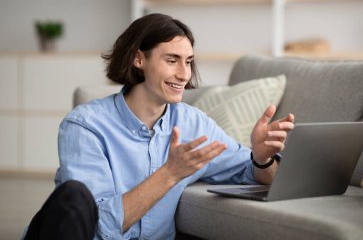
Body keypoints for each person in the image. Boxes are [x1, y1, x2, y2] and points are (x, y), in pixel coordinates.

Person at [24, 13, 294, 240]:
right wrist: (170, 174)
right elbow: (99, 226)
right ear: (139, 59)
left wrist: (261, 158)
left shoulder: (193, 123)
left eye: (188, 61)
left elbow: (253, 176)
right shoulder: (85, 126)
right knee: (74, 194)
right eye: (172, 60)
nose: (184, 74)